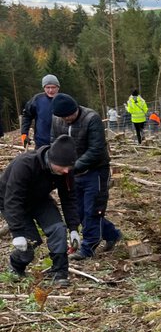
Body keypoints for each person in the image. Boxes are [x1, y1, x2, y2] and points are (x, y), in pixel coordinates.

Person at [0, 135, 81, 287]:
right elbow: (12, 200)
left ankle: (59, 273)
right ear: (51, 160)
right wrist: (18, 233)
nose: (65, 171)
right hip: (12, 201)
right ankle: (16, 266)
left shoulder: (65, 171)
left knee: (58, 228)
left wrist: (74, 228)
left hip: (40, 199)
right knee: (30, 243)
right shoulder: (24, 165)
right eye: (62, 167)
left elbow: (69, 199)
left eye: (68, 168)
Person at [51, 93, 122, 260]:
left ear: (76, 109)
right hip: (72, 173)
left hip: (95, 171)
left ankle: (88, 247)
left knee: (93, 210)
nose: (67, 119)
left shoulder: (91, 118)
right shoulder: (56, 120)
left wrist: (72, 167)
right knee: (79, 212)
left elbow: (96, 150)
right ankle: (112, 234)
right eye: (64, 117)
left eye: (70, 115)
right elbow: (54, 142)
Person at [20, 74, 61, 149]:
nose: (50, 90)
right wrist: (24, 133)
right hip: (41, 143)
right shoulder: (37, 99)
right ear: (44, 88)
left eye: (53, 87)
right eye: (48, 87)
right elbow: (27, 115)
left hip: (60, 143)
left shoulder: (64, 100)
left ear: (58, 88)